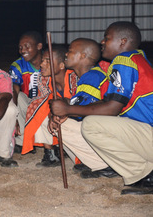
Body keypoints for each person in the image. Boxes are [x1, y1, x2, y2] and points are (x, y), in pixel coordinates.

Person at [51, 21, 153, 195]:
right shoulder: (136, 59)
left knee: (91, 125)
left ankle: (145, 173)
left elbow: (112, 108)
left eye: (107, 38)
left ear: (122, 41)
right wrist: (69, 107)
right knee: (84, 123)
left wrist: (68, 110)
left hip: (147, 135)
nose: (102, 42)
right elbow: (106, 102)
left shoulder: (124, 60)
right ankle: (124, 168)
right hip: (144, 133)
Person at [47, 38, 111, 174]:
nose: (66, 54)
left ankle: (102, 165)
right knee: (56, 118)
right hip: (101, 128)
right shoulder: (89, 75)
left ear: (83, 56)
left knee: (60, 124)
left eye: (70, 51)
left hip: (102, 130)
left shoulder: (92, 77)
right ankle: (88, 160)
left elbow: (81, 110)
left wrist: (62, 113)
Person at [22, 46, 78, 167]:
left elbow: (75, 104)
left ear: (62, 65)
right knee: (39, 108)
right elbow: (44, 101)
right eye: (42, 60)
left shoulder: (74, 78)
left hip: (75, 117)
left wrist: (58, 110)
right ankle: (51, 153)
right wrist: (51, 113)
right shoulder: (43, 79)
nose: (42, 64)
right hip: (57, 117)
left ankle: (68, 151)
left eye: (47, 61)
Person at [9, 31, 44, 153]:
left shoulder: (50, 62)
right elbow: (14, 89)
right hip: (28, 104)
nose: (23, 50)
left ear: (39, 46)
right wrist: (12, 114)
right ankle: (24, 141)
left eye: (27, 46)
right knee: (17, 98)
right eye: (20, 47)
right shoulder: (18, 65)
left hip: (46, 103)